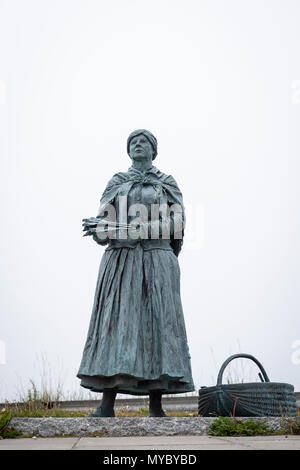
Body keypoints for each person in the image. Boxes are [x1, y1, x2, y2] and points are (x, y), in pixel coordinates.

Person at [77, 129, 194, 417]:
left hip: (157, 260)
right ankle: (106, 404)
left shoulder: (166, 183)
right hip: (121, 260)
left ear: (154, 150)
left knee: (158, 326)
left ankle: (157, 405)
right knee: (118, 326)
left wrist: (145, 230)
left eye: (144, 142)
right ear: (128, 151)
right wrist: (100, 229)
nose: (138, 144)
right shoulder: (117, 183)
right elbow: (105, 227)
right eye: (133, 142)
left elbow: (177, 223)